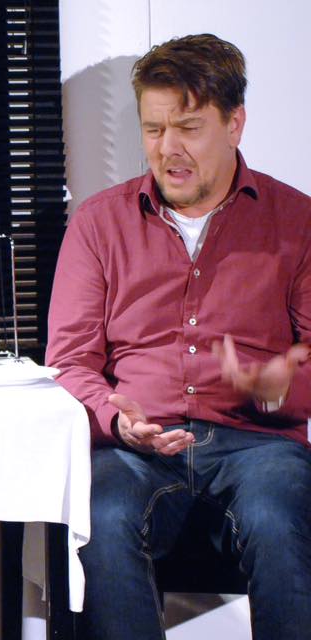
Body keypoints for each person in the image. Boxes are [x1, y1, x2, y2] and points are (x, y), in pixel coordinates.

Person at [46, 33, 311, 640]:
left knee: (279, 516)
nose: (168, 149)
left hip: (259, 446)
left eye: (188, 128)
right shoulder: (98, 224)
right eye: (154, 129)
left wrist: (277, 386)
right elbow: (69, 362)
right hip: (134, 449)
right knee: (101, 516)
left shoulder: (297, 221)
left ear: (234, 124)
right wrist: (115, 418)